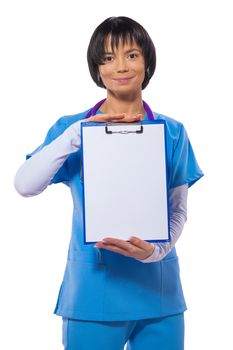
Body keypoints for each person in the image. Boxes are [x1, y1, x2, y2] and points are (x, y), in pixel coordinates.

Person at [14, 16, 203, 350]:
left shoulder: (172, 132)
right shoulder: (71, 129)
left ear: (147, 61)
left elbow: (178, 210)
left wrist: (155, 252)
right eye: (108, 58)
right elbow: (25, 185)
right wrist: (78, 135)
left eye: (131, 55)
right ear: (97, 68)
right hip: (92, 294)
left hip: (159, 295)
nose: (121, 66)